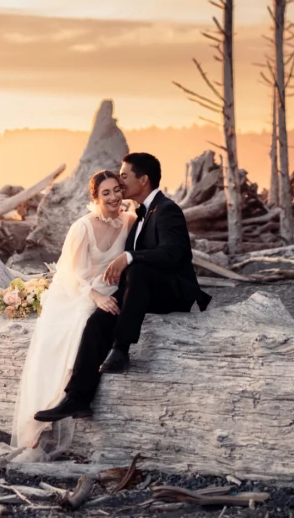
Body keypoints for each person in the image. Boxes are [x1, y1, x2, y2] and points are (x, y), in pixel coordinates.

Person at [34, 152, 211, 423]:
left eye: (125, 177)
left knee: (136, 267)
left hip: (173, 292)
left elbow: (173, 253)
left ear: (144, 180)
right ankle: (77, 398)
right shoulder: (137, 215)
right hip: (143, 290)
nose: (121, 183)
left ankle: (121, 348)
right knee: (97, 321)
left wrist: (129, 256)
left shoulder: (167, 209)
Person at [11, 170, 136, 449]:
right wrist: (95, 297)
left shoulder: (129, 221)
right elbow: (69, 274)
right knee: (77, 322)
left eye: (117, 190)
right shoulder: (83, 227)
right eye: (106, 193)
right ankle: (54, 407)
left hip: (110, 288)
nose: (114, 197)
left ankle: (76, 397)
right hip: (76, 291)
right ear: (95, 197)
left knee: (100, 320)